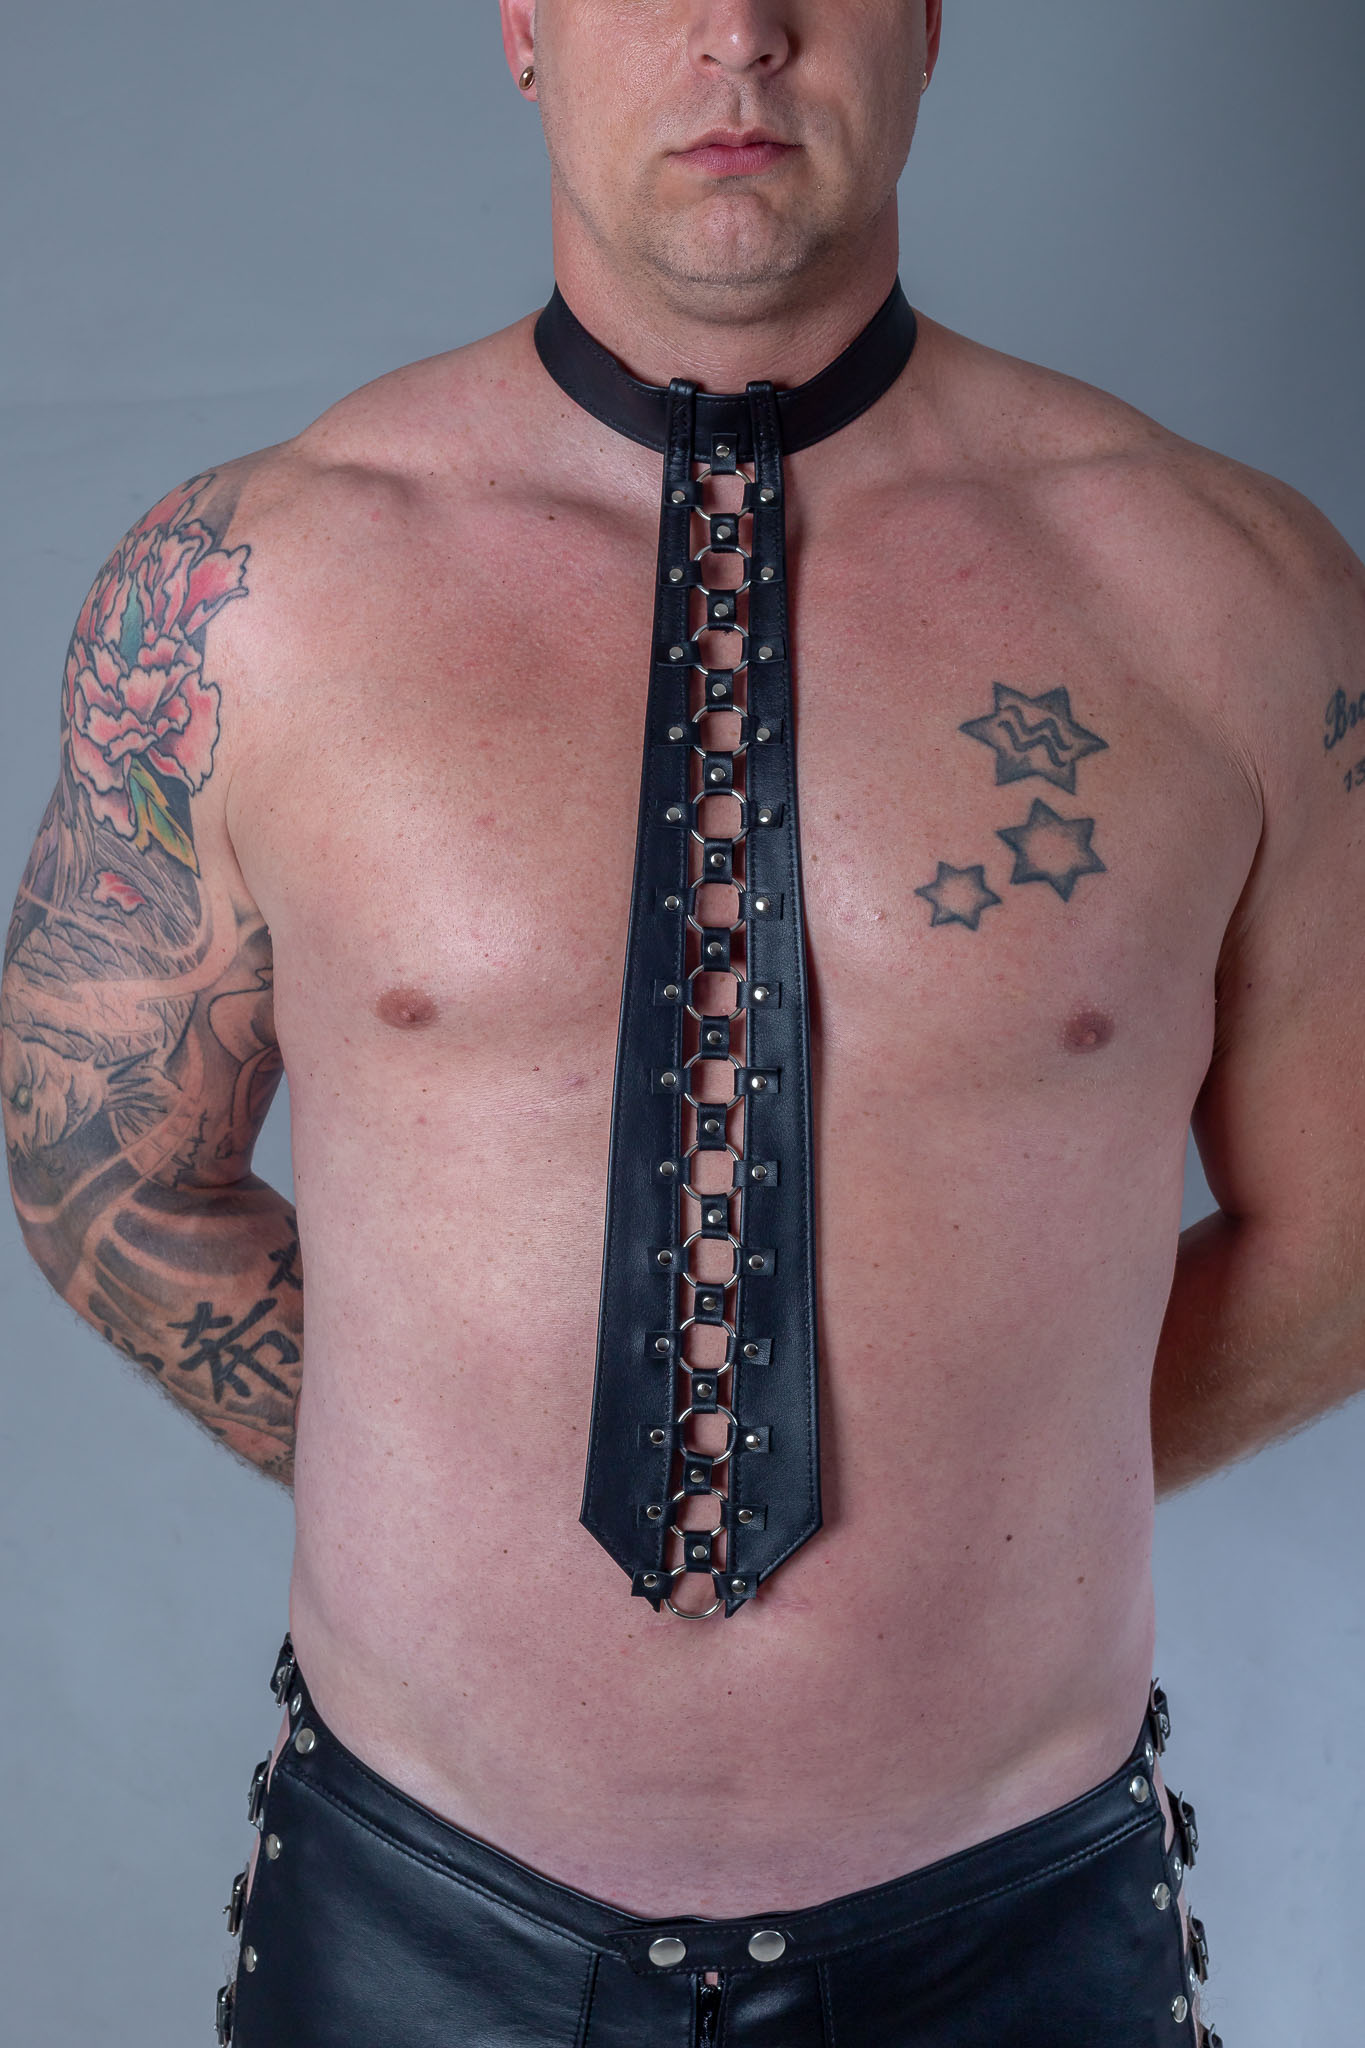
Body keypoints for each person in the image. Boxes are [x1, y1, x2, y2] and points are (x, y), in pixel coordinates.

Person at [4, 0, 1363, 2040]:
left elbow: (1344, 1230)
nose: (738, 32)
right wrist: (428, 1481)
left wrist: (997, 1480)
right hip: (417, 1930)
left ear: (924, 25)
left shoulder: (1228, 596)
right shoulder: (252, 598)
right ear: (522, 27)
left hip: (1010, 1936)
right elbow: (100, 1163)